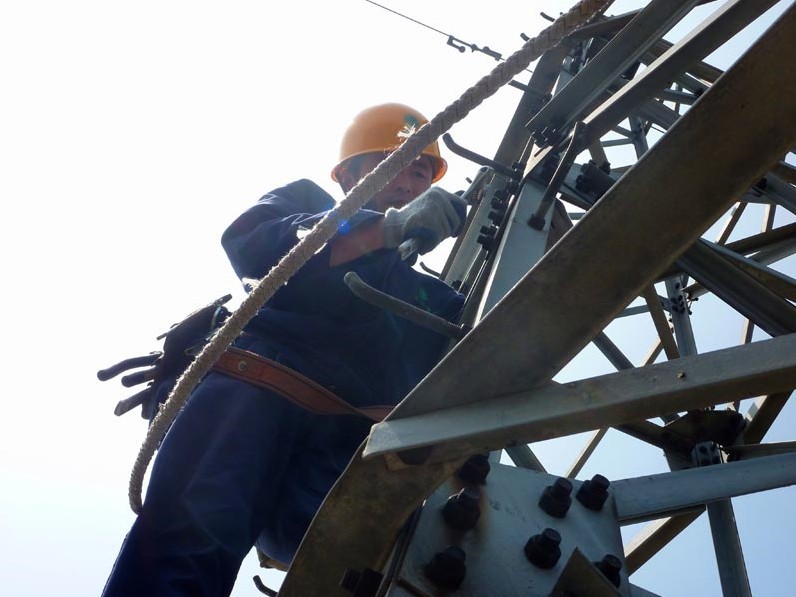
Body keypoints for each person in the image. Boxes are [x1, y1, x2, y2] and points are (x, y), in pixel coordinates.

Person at [102, 103, 467, 596]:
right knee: (189, 542)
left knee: (356, 577)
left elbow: (472, 365)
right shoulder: (305, 203)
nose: (408, 181)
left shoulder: (433, 296)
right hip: (256, 390)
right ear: (349, 175)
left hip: (346, 446)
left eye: (420, 171)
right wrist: (384, 229)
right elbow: (260, 245)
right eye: (395, 162)